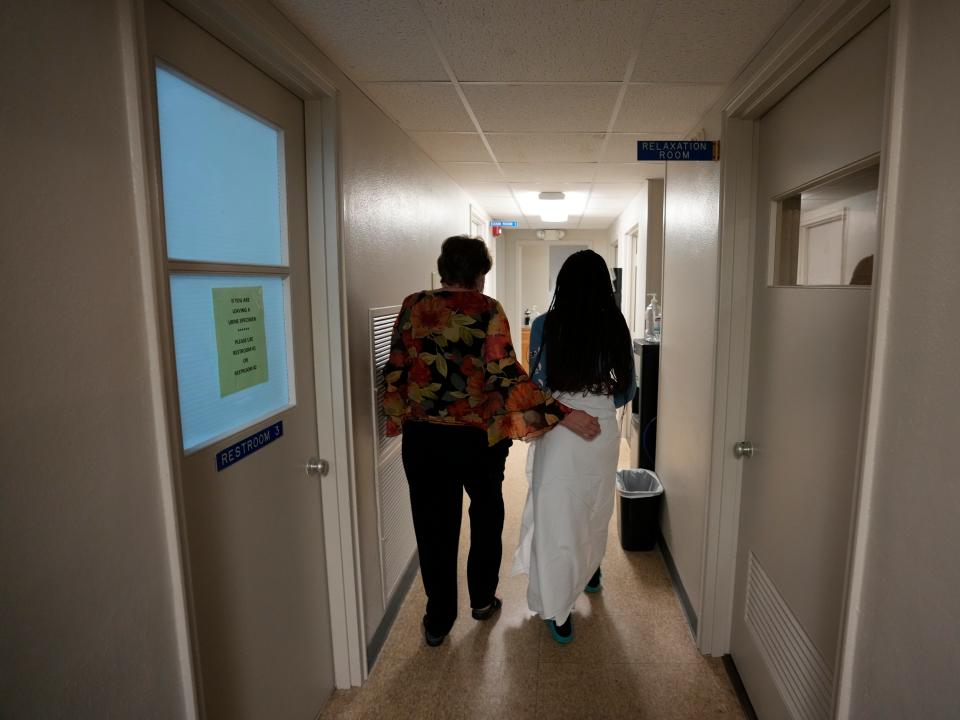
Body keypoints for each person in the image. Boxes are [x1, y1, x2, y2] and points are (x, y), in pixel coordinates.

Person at [382, 235, 601, 647]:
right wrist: (564, 414)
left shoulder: (413, 305)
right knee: (485, 516)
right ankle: (482, 600)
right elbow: (506, 374)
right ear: (481, 275)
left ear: (443, 267)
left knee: (434, 529)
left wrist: (398, 421)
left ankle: (438, 620)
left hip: (424, 440)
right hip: (477, 442)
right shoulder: (487, 310)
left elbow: (395, 368)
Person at [512, 249, 636, 644]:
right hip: (601, 432)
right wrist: (597, 406)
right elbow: (627, 389)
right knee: (594, 508)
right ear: (605, 284)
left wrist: (570, 409)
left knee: (557, 518)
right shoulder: (616, 325)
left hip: (562, 429)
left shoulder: (548, 324)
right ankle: (590, 570)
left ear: (562, 283)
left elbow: (535, 386)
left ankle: (558, 607)